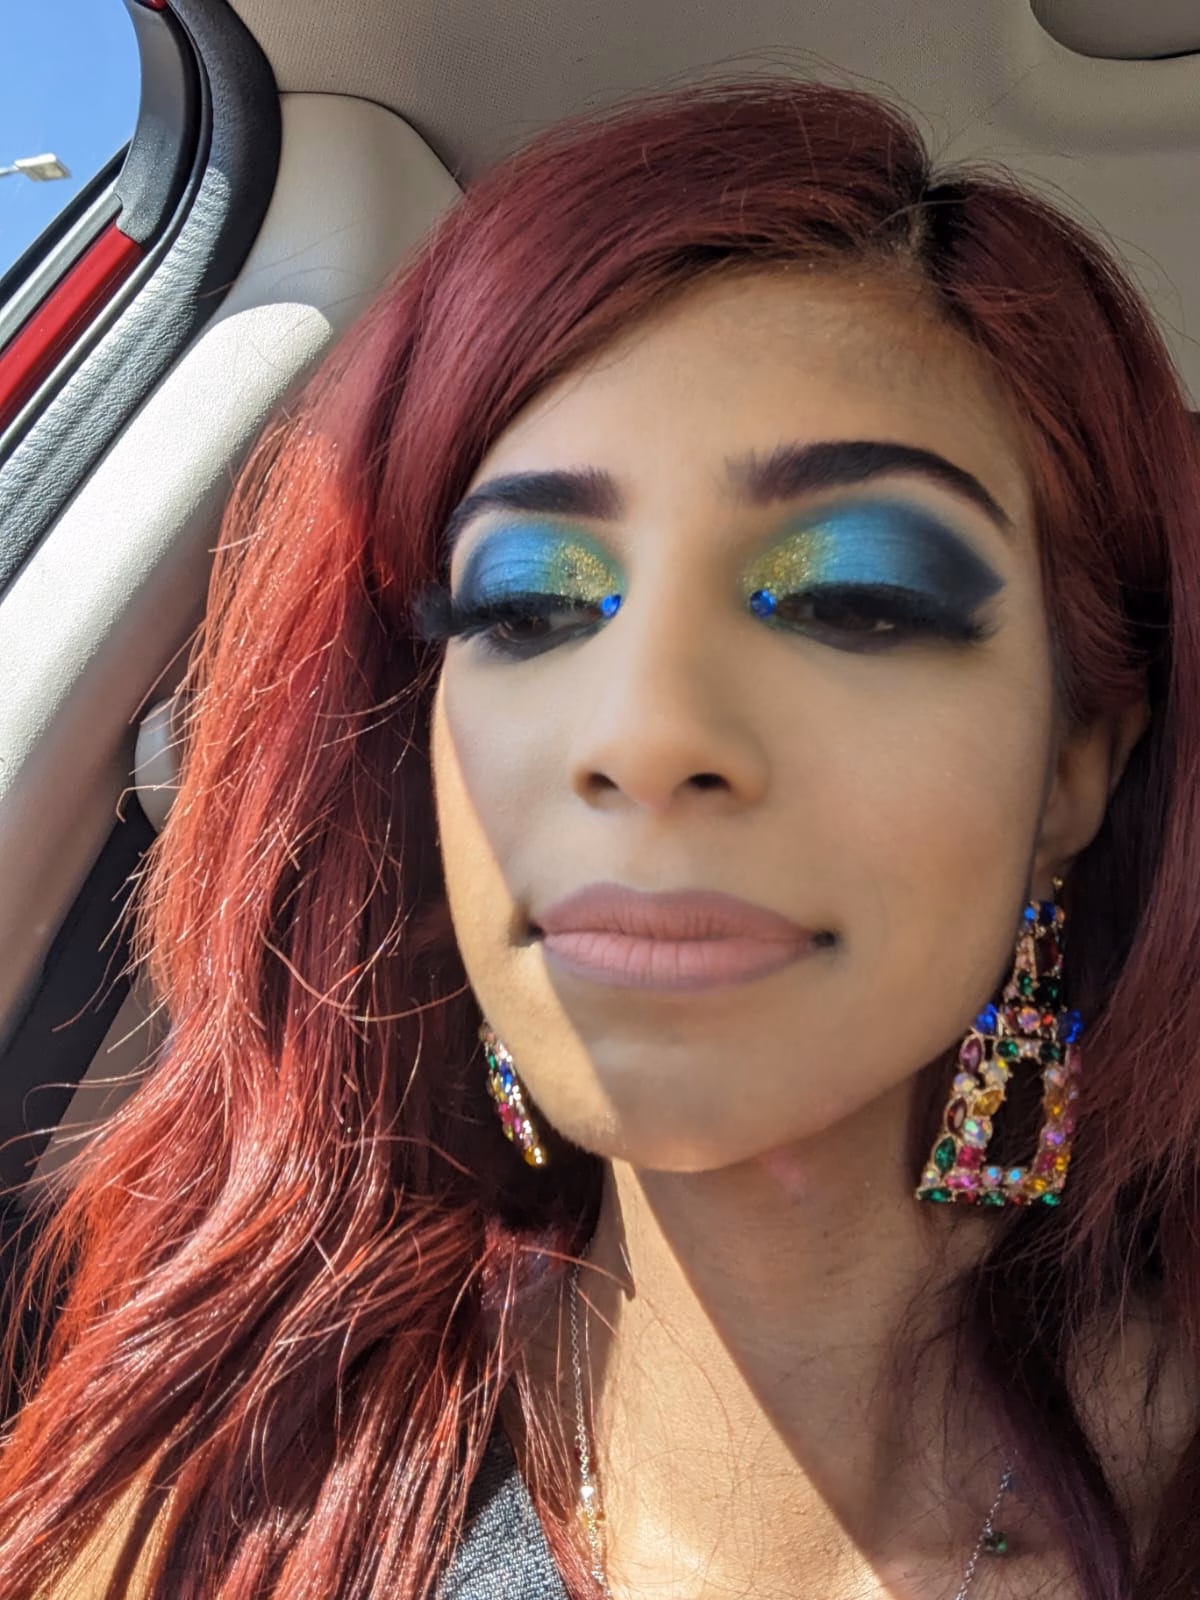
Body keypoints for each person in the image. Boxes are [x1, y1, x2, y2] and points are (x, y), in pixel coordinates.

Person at [0, 76, 1196, 1600]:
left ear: (1074, 769)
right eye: (527, 605)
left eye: (854, 596)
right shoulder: (220, 1501)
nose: (642, 732)